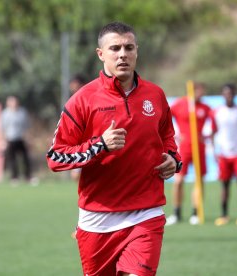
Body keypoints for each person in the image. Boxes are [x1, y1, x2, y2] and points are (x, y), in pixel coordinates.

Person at [46, 22, 182, 276]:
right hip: (98, 219)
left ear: (137, 51)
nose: (123, 54)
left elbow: (167, 137)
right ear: (101, 54)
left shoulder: (156, 95)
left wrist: (173, 159)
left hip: (146, 212)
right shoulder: (83, 100)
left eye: (129, 47)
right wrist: (100, 145)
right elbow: (55, 157)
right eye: (115, 48)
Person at [166, 83, 211, 226]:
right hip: (184, 148)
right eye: (199, 91)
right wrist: (174, 136)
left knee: (198, 180)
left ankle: (195, 212)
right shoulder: (180, 104)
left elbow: (215, 124)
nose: (201, 94)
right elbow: (165, 118)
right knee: (179, 180)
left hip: (199, 148)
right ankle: (176, 212)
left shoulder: (205, 108)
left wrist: (208, 135)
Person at [211, 84, 237, 226]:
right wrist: (214, 151)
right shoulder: (217, 112)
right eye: (226, 94)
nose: (229, 96)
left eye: (231, 93)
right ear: (223, 95)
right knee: (225, 185)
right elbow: (213, 133)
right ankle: (224, 215)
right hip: (223, 154)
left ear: (235, 94)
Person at [0, 95, 32, 183]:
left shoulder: (22, 112)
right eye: (11, 101)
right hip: (10, 139)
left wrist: (28, 139)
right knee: (12, 160)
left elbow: (26, 127)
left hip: (21, 138)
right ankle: (14, 177)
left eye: (15, 101)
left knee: (25, 158)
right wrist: (2, 141)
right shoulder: (5, 114)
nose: (13, 103)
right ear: (8, 103)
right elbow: (2, 128)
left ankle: (28, 177)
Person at [68, 74, 87, 183]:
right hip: (78, 144)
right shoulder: (73, 101)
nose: (73, 88)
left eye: (75, 85)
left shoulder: (90, 98)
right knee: (75, 175)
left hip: (91, 142)